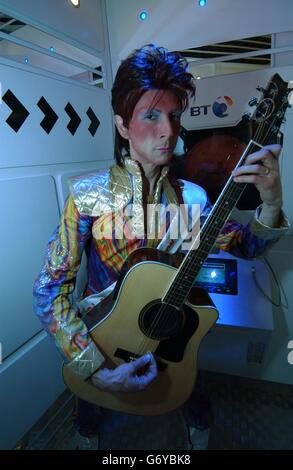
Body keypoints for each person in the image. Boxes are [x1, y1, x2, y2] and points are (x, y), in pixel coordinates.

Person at [33, 44, 289, 449]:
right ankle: (87, 435)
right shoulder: (87, 196)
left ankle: (197, 436)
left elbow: (247, 247)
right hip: (102, 337)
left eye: (173, 115)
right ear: (122, 126)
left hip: (172, 331)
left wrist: (273, 203)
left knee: (192, 396)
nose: (168, 130)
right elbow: (50, 288)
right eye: (151, 116)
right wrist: (92, 367)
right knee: (91, 416)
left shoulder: (192, 198)